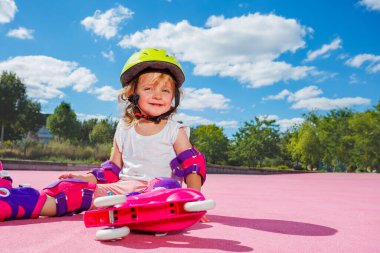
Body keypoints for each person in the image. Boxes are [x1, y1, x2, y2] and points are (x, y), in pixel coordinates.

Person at [0, 48, 208, 222]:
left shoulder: (175, 129)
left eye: (166, 91)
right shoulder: (124, 128)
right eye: (148, 88)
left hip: (158, 191)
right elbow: (111, 170)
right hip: (121, 189)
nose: (157, 95)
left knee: (167, 187)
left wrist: (194, 200)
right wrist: (85, 177)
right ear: (131, 94)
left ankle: (137, 208)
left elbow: (192, 165)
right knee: (71, 190)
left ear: (174, 97)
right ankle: (13, 201)